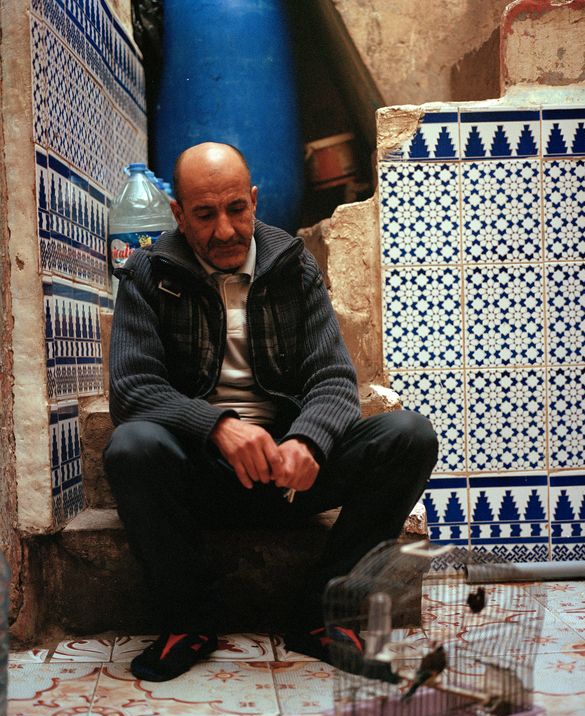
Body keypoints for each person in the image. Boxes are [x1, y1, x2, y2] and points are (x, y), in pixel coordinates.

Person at [104, 142, 438, 682]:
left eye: (236, 209)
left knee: (409, 435)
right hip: (200, 476)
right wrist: (217, 426)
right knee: (132, 446)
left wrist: (307, 441)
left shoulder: (292, 264)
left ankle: (325, 613)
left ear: (254, 201)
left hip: (289, 477)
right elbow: (132, 389)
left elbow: (333, 378)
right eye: (205, 215)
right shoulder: (149, 271)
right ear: (178, 215)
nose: (225, 230)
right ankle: (189, 620)